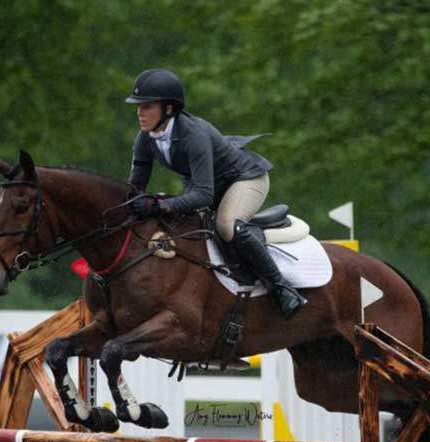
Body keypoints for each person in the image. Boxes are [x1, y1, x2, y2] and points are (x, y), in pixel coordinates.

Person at [125, 68, 307, 319]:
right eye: (138, 106)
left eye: (147, 106)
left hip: (244, 179)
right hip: (208, 183)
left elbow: (203, 196)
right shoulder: (145, 138)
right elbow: (134, 189)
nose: (139, 112)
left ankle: (283, 289)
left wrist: (159, 205)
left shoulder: (193, 135)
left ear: (168, 109)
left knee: (227, 225)